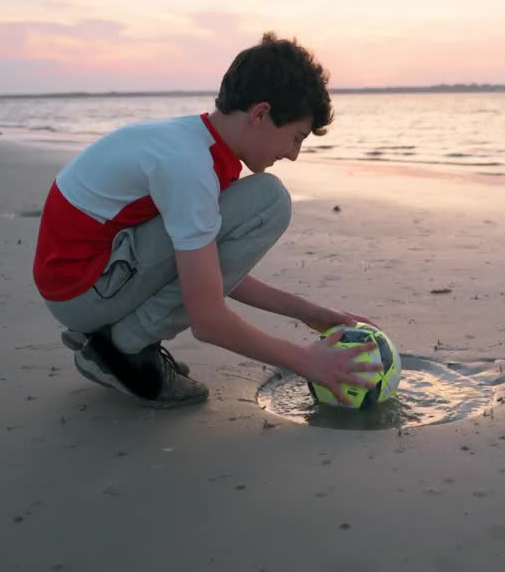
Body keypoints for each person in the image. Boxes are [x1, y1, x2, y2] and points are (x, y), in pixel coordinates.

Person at [31, 32, 381, 408]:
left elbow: (208, 271)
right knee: (269, 200)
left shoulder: (196, 144)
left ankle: (112, 335)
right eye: (295, 138)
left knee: (252, 208)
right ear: (260, 114)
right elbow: (208, 318)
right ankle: (122, 349)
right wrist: (308, 362)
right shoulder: (190, 167)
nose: (293, 155)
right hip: (83, 294)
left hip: (88, 283)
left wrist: (314, 315)